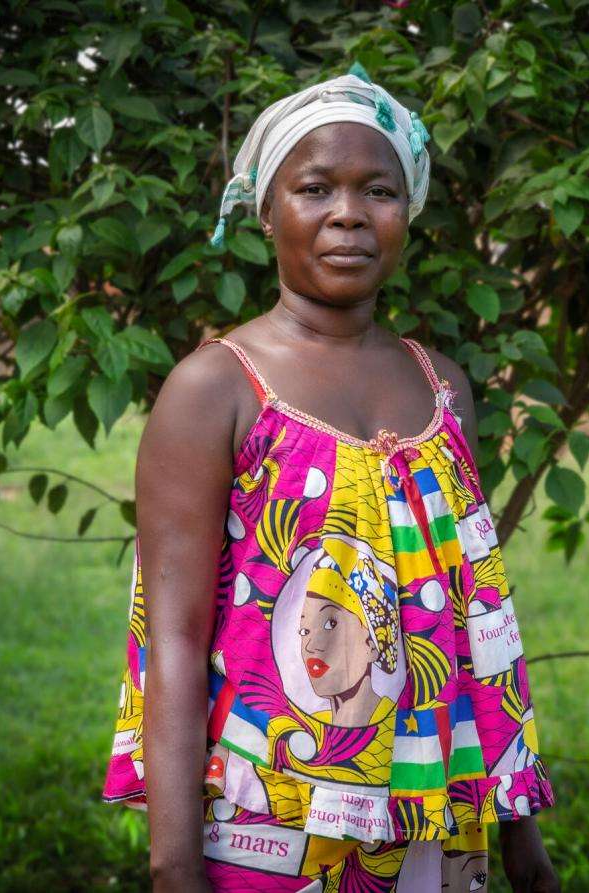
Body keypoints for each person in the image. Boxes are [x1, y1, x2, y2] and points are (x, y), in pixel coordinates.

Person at [101, 63, 559, 892]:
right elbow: (172, 634)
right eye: (315, 187)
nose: (348, 213)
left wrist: (519, 833)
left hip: (434, 817)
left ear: (407, 211)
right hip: (269, 826)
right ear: (266, 210)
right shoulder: (217, 389)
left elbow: (475, 621)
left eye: (377, 190)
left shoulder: (442, 385)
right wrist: (173, 868)